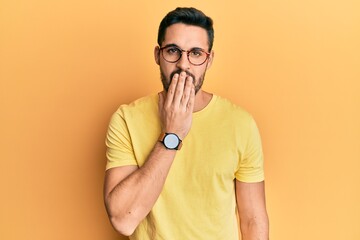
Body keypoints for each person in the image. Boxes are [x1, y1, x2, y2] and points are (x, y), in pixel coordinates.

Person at [103, 7, 269, 240]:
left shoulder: (241, 124)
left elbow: (253, 219)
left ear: (208, 60)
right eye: (173, 51)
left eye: (196, 53)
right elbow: (123, 219)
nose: (184, 64)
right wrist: (171, 135)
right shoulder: (126, 119)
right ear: (157, 55)